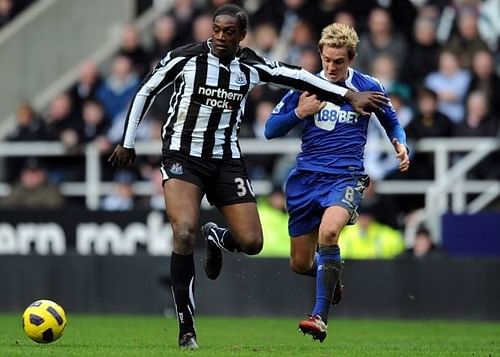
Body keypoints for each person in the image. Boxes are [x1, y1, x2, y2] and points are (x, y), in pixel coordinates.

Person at [108, 4, 387, 349]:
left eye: (229, 32)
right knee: (182, 232)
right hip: (183, 158)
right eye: (216, 30)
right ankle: (187, 330)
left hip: (226, 162)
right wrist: (128, 141)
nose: (221, 38)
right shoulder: (185, 58)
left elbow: (301, 76)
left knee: (252, 242)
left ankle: (218, 237)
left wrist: (349, 95)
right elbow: (145, 91)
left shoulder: (251, 64)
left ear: (242, 36)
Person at [265, 23, 410, 342]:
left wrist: (400, 144)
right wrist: (299, 113)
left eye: (338, 62)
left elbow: (393, 123)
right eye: (327, 59)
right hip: (305, 180)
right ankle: (329, 279)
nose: (331, 67)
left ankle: (319, 316)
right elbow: (270, 129)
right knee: (300, 264)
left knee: (329, 232)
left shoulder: (368, 87)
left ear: (352, 58)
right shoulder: (304, 85)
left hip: (345, 176)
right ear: (320, 54)